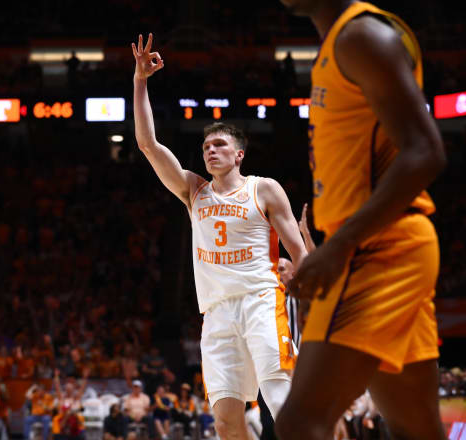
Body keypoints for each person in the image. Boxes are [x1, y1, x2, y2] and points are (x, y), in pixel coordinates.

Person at [275, 2, 447, 439]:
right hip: (386, 244)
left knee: (299, 424)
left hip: (376, 249)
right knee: (416, 428)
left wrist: (336, 249)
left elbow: (426, 151)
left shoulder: (361, 37)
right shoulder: (340, 42)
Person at [132, 33, 307, 440]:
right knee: (226, 421)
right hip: (217, 313)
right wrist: (141, 81)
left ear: (239, 154)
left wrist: (302, 275)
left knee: (283, 404)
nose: (211, 150)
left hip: (262, 301)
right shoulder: (194, 190)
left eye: (220, 144)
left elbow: (298, 251)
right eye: (206, 145)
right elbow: (147, 144)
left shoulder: (263, 188)